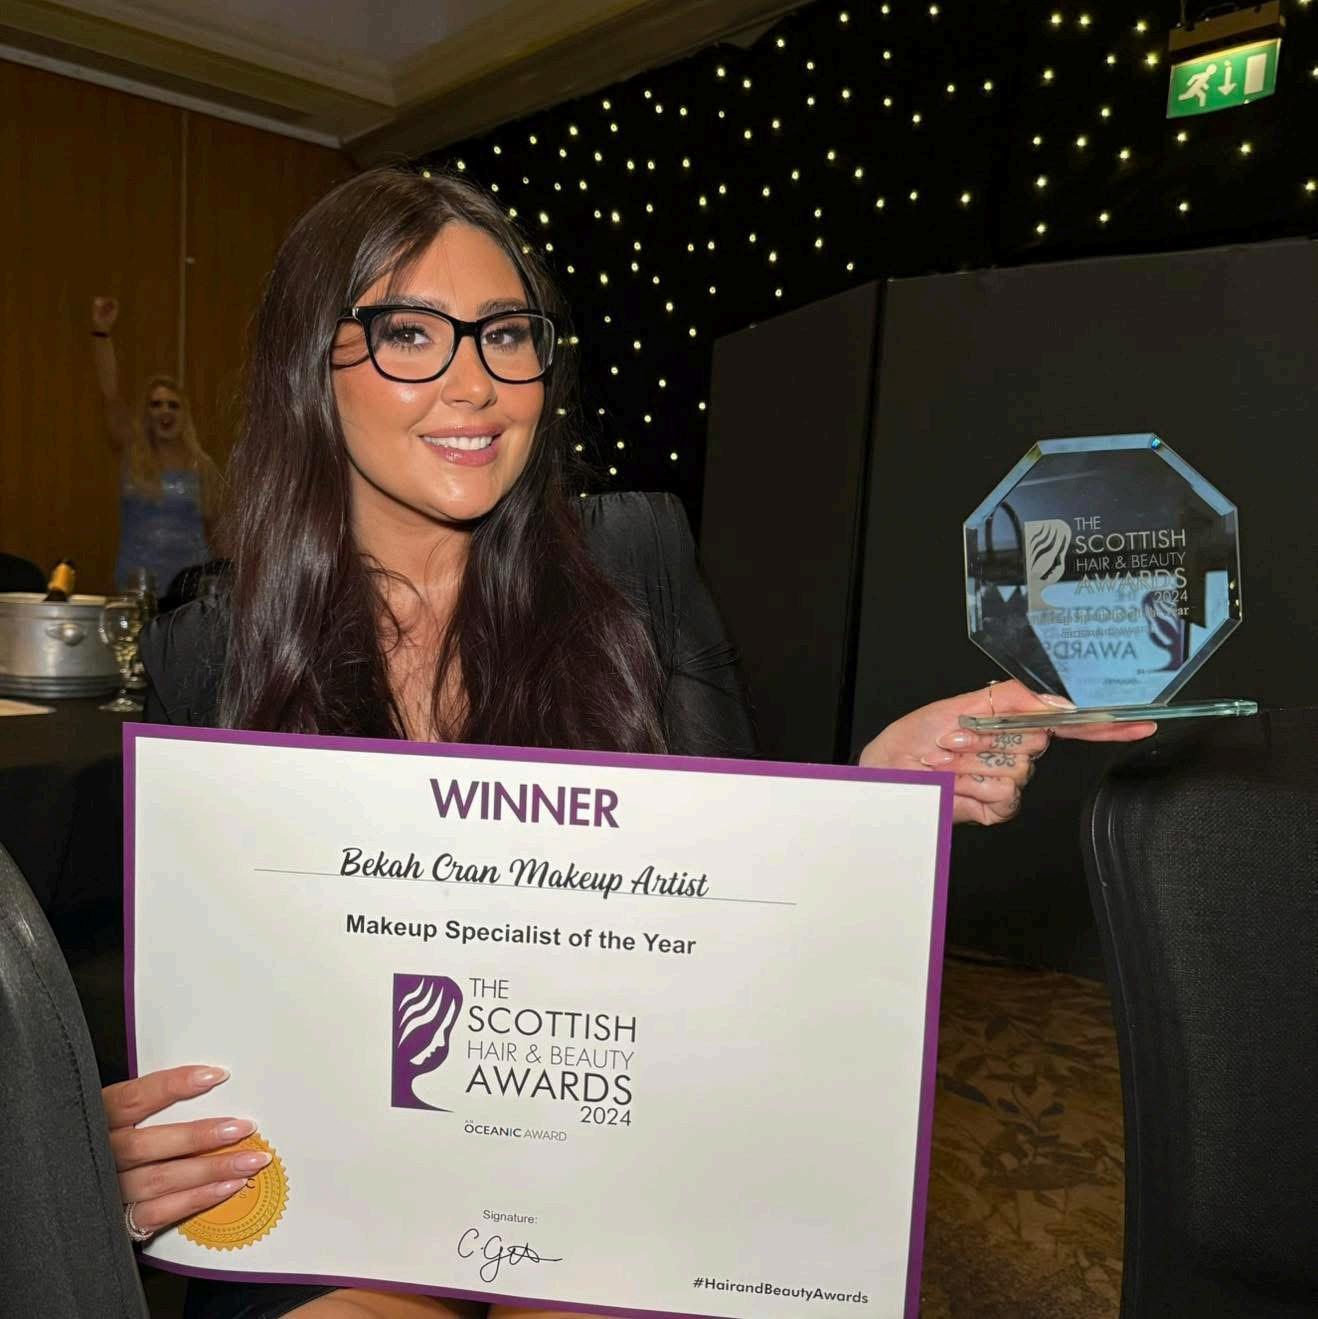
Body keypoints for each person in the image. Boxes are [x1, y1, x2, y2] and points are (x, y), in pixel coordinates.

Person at [103, 166, 1156, 1319]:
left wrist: (871, 798)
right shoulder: (213, 639)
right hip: (347, 1165)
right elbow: (211, 999)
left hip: (610, 1139)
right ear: (311, 362)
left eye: (507, 334)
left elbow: (727, 915)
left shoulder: (633, 560)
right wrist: (123, 1143)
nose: (476, 382)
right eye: (409, 333)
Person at [91, 297, 220, 591]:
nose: (165, 410)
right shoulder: (132, 451)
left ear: (184, 415)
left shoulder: (203, 466)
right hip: (137, 586)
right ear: (146, 414)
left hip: (190, 590)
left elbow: (218, 535)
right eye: (156, 404)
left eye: (173, 405)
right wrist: (101, 333)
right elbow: (110, 394)